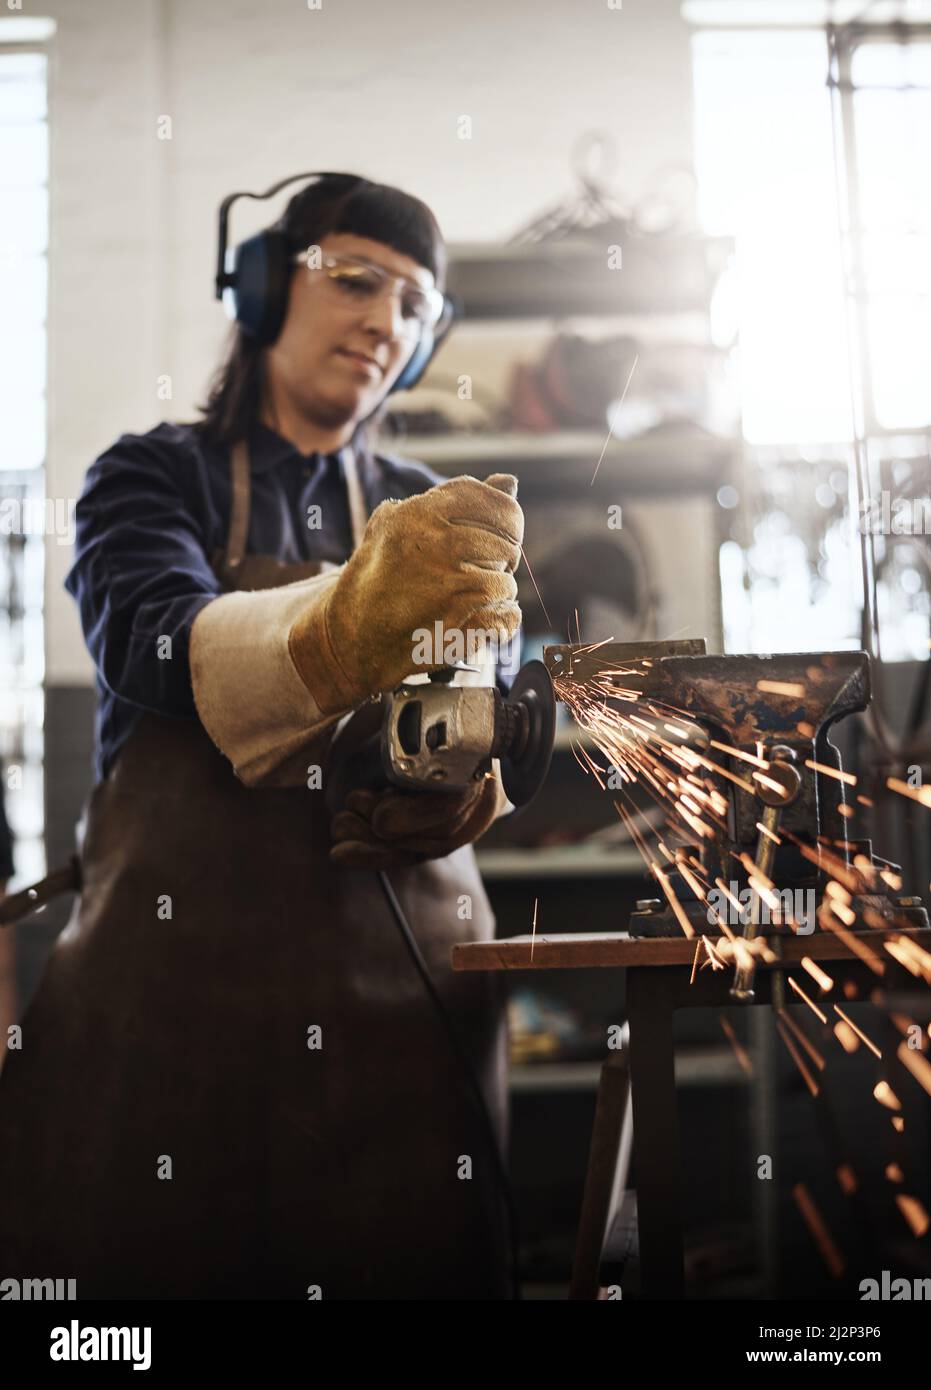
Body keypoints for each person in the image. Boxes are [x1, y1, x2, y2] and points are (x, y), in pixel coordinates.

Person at [0, 173, 524, 1299]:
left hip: (409, 1033)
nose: (386, 321)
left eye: (414, 307)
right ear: (257, 288)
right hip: (173, 1023)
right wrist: (343, 628)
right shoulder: (152, 477)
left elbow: (473, 695)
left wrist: (445, 755)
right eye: (355, 280)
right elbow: (153, 644)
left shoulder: (432, 508)